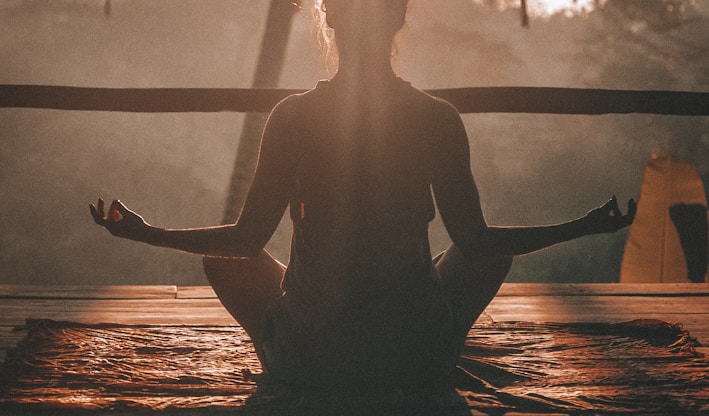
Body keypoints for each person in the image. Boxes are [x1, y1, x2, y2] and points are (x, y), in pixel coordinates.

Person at [91, 0, 635, 399]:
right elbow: (476, 241)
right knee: (488, 252)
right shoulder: (436, 118)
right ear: (399, 16)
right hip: (411, 354)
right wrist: (581, 227)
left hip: (312, 356)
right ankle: (436, 350)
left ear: (329, 16)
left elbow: (246, 240)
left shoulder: (293, 118)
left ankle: (287, 359)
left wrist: (146, 232)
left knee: (223, 261)